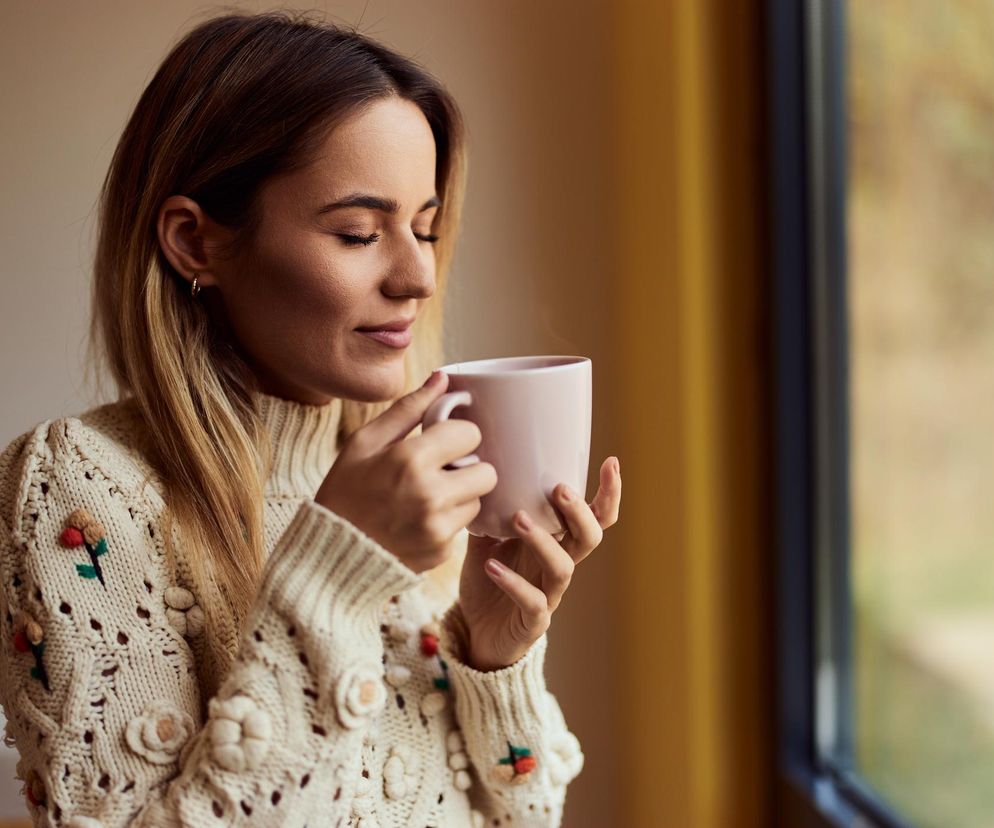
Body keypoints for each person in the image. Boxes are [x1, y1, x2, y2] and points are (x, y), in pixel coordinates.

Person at [0, 10, 621, 827]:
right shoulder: (78, 493)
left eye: (426, 228)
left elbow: (524, 817)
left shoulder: (403, 473)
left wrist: (491, 654)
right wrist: (332, 577)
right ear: (195, 242)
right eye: (359, 233)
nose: (418, 276)